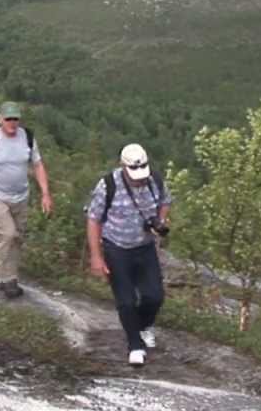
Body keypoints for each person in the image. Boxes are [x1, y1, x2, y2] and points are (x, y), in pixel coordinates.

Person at [86, 143, 172, 367]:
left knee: (154, 296)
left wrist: (159, 222)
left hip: (144, 246)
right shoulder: (108, 185)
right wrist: (96, 257)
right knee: (126, 301)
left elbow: (164, 202)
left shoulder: (155, 180)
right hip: (116, 247)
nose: (139, 178)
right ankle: (135, 345)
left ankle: (143, 326)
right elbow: (94, 219)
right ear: (122, 166)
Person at [0, 102, 53, 299]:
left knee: (17, 237)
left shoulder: (28, 138)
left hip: (21, 196)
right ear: (0, 119)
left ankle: (11, 276)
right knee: (8, 234)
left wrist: (46, 193)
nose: (12, 123)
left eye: (15, 119)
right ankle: (7, 280)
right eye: (8, 119)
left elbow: (38, 165)